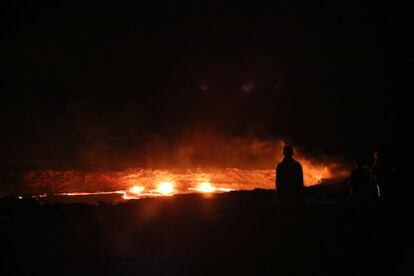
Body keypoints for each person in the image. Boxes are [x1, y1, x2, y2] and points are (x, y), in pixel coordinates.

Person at [275, 145, 304, 215]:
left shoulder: (281, 166)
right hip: (294, 194)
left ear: (283, 153)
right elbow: (300, 180)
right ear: (292, 153)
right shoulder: (297, 165)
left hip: (284, 194)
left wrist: (278, 193)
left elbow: (278, 181)